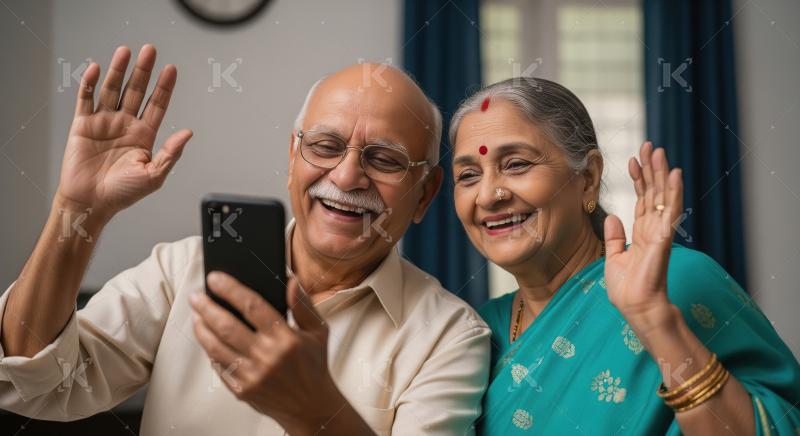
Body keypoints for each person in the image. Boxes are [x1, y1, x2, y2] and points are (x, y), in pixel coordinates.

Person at [0, 44, 491, 435]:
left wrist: (312, 409)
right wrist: (76, 210)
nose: (346, 177)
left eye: (384, 159)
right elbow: (42, 386)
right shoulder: (182, 271)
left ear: (425, 193)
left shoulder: (450, 338)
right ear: (292, 157)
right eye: (324, 146)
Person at [448, 77, 800, 434]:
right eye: (468, 175)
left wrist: (653, 318)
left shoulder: (681, 280)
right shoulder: (475, 334)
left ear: (587, 178)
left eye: (516, 164)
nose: (488, 195)